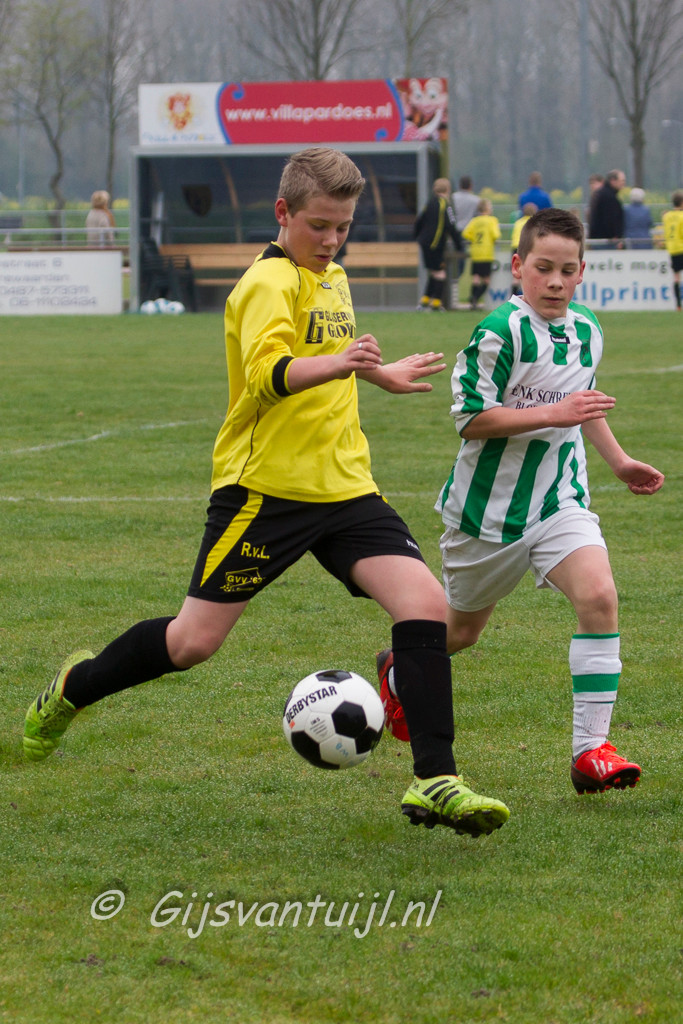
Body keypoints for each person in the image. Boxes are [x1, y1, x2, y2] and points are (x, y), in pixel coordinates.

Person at [23, 147, 509, 840]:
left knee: (425, 606)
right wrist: (340, 363)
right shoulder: (265, 284)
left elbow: (328, 355)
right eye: (319, 225)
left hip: (345, 487)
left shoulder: (331, 275)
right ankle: (74, 688)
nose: (332, 239)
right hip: (265, 492)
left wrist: (376, 372)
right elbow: (270, 375)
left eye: (343, 227)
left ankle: (435, 777)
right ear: (283, 213)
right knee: (192, 642)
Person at [380, 208, 664, 797]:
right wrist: (552, 414)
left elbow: (582, 403)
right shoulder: (498, 332)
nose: (555, 281)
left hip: (560, 500)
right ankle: (398, 669)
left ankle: (591, 751)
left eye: (567, 270)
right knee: (460, 633)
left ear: (582, 271)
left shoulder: (588, 329)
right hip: (487, 514)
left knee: (600, 597)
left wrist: (619, 462)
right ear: (517, 267)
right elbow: (471, 420)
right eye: (543, 268)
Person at [413, 177, 461, 312]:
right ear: (448, 190)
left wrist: (417, 237)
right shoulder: (445, 204)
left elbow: (419, 220)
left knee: (434, 271)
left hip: (424, 242)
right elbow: (451, 225)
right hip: (436, 243)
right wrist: (459, 244)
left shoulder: (430, 203)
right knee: (440, 273)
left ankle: (424, 301)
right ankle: (436, 303)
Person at [461, 198, 501, 310]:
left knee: (476, 277)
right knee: (486, 279)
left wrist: (473, 238)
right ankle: (475, 297)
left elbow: (465, 233)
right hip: (486, 252)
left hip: (476, 252)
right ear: (488, 209)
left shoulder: (475, 221)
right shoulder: (492, 220)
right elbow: (496, 235)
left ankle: (472, 300)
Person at [451, 175, 480, 306]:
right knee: (462, 262)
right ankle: (457, 281)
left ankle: (453, 290)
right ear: (470, 186)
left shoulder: (453, 198)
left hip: (454, 232)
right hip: (468, 233)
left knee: (452, 261)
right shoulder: (475, 200)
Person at [588, 169, 626, 248]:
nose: (623, 183)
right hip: (606, 241)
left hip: (599, 239)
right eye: (621, 181)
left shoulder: (602, 194)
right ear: (613, 181)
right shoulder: (608, 197)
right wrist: (615, 235)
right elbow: (609, 218)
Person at [509, 202, 537, 295]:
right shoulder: (533, 223)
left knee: (517, 274)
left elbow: (513, 235)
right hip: (527, 247)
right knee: (529, 273)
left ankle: (513, 296)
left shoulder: (518, 222)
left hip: (515, 246)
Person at [662, 189, 683, 311]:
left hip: (672, 249)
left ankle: (678, 305)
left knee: (676, 277)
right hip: (681, 247)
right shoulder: (682, 216)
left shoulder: (667, 216)